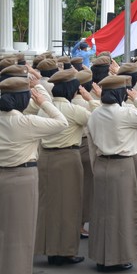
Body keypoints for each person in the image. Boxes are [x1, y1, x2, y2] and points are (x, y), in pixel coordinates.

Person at [87, 75, 137, 272]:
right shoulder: (125, 113)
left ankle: (101, 256)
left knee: (102, 213)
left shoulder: (94, 114)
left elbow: (92, 144)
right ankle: (116, 258)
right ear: (121, 94)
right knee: (122, 213)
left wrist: (96, 167)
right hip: (122, 165)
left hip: (102, 164)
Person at [0, 78, 68, 274]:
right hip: (21, 177)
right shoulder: (25, 121)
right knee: (21, 233)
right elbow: (61, 122)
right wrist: (44, 102)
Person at [35, 71, 93, 266]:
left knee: (48, 206)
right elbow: (95, 120)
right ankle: (65, 251)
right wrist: (91, 99)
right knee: (69, 206)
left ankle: (49, 248)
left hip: (46, 158)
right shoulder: (73, 109)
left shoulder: (46, 109)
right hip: (67, 158)